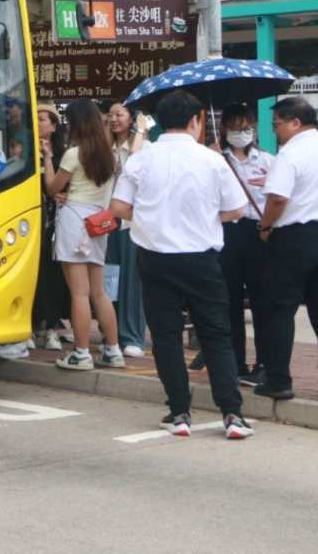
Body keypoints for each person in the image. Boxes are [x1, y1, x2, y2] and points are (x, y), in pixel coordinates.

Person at [109, 89, 252, 439]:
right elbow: (236, 210)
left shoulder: (142, 159)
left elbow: (118, 207)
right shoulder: (212, 160)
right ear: (195, 121)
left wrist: (152, 217)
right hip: (202, 259)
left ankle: (179, 412)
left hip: (155, 258)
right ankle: (232, 414)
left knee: (166, 336)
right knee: (216, 335)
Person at [45, 100, 123, 371]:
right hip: (98, 223)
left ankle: (81, 353)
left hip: (74, 221)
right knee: (99, 292)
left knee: (79, 293)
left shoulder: (73, 154)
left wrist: (46, 159)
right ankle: (113, 350)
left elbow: (53, 187)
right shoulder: (109, 155)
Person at [252, 96, 318, 402]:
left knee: (279, 309)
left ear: (295, 122)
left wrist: (265, 227)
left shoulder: (290, 153)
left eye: (277, 124)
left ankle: (278, 380)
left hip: (293, 238)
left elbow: (278, 199)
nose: (275, 130)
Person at [218, 103, 273, 384]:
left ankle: (264, 362)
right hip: (227, 230)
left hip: (258, 232)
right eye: (236, 127)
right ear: (224, 128)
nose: (242, 133)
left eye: (247, 127)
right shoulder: (216, 159)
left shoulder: (267, 160)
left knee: (262, 300)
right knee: (229, 301)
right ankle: (235, 362)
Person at [107, 102, 150, 357]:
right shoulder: (102, 147)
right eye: (110, 115)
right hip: (104, 220)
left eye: (119, 114)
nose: (114, 119)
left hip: (131, 221)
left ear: (132, 119)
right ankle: (109, 333)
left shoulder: (146, 147)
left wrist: (141, 134)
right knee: (109, 278)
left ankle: (132, 335)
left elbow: (135, 170)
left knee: (133, 280)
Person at [33, 104, 71, 350]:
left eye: (43, 119)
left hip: (54, 223)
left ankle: (52, 326)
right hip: (29, 222)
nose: (38, 123)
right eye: (35, 118)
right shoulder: (22, 149)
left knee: (52, 275)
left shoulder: (62, 154)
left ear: (54, 125)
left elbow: (61, 189)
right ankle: (32, 324)